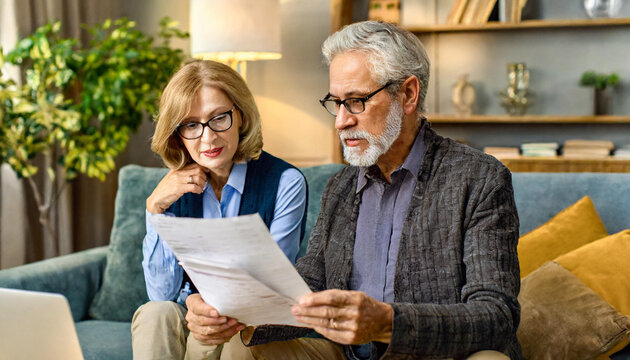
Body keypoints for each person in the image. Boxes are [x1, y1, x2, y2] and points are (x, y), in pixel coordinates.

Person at [189, 20, 522, 360]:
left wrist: (387, 323)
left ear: (407, 94)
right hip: (346, 355)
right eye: (336, 102)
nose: (341, 121)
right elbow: (310, 283)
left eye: (357, 101)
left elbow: (496, 314)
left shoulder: (479, 178)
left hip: (438, 355)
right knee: (241, 348)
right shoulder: (341, 186)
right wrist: (235, 310)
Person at [130, 60, 308, 359]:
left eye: (219, 118)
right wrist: (156, 209)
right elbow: (161, 294)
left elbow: (266, 288)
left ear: (240, 115)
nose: (208, 137)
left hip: (247, 322)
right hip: (190, 317)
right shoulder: (173, 190)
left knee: (213, 337)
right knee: (155, 313)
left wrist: (199, 306)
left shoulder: (285, 182)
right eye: (191, 125)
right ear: (177, 134)